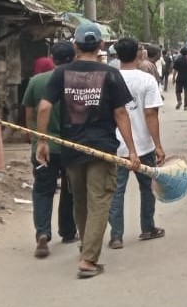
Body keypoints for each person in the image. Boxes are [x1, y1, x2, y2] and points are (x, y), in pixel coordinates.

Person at [36, 22, 140, 278]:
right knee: (100, 200)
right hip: (102, 148)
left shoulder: (60, 74)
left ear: (75, 46)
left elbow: (44, 108)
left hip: (72, 148)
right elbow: (120, 113)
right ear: (101, 46)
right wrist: (133, 150)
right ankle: (89, 259)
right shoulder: (110, 74)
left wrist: (42, 141)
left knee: (81, 200)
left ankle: (87, 246)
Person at [108, 38, 166, 249]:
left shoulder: (109, 77)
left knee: (116, 191)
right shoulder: (147, 80)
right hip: (143, 145)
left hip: (116, 146)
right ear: (139, 54)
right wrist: (158, 144)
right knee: (147, 187)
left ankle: (116, 236)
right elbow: (151, 114)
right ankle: (148, 227)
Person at [22, 41, 77, 258]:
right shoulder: (78, 82)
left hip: (43, 147)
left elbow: (29, 114)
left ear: (52, 58)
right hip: (71, 146)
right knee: (70, 189)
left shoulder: (36, 81)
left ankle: (42, 233)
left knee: (43, 190)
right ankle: (68, 230)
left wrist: (33, 136)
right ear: (73, 57)